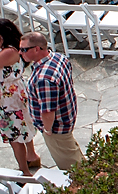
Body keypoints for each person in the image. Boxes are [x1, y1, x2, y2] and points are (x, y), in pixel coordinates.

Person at [20, 31, 85, 171]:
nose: (20, 53)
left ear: (37, 49)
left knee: (72, 167)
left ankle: (91, 188)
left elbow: (48, 111)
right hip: (67, 118)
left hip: (57, 128)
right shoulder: (58, 57)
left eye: (24, 49)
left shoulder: (44, 78)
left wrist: (47, 129)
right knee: (71, 152)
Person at [0, 19, 40, 176]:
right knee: (23, 126)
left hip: (8, 98)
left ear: (1, 36)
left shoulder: (8, 52)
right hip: (14, 93)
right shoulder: (8, 49)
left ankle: (25, 173)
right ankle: (31, 156)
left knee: (14, 135)